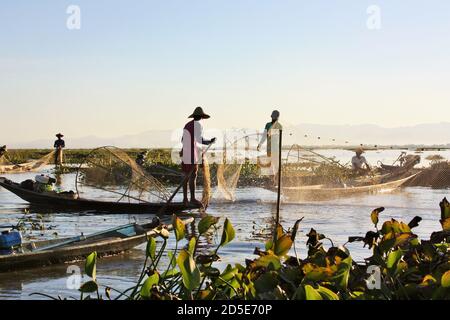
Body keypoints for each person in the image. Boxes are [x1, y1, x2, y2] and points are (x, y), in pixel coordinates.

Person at [180, 107, 216, 206]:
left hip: (185, 151)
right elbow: (200, 140)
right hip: (192, 151)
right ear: (201, 117)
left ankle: (185, 199)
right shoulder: (198, 125)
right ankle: (192, 199)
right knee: (193, 175)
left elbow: (182, 140)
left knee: (185, 175)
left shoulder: (187, 124)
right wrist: (210, 141)